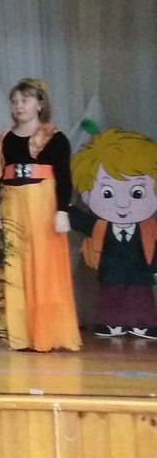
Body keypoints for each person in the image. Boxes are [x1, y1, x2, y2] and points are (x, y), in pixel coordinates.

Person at [0, 78, 80, 352]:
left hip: (42, 206)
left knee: (44, 266)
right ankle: (20, 334)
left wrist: (62, 211)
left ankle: (46, 333)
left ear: (40, 104)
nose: (19, 106)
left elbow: (64, 177)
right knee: (15, 266)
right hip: (12, 207)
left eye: (25, 100)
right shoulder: (4, 139)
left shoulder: (55, 138)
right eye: (14, 101)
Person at [67, 128, 157, 339]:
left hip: (141, 271)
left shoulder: (149, 228)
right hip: (111, 270)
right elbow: (83, 222)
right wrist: (64, 208)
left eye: (137, 192)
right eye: (107, 192)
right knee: (110, 296)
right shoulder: (100, 226)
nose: (123, 203)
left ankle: (143, 324)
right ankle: (110, 323)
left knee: (141, 297)